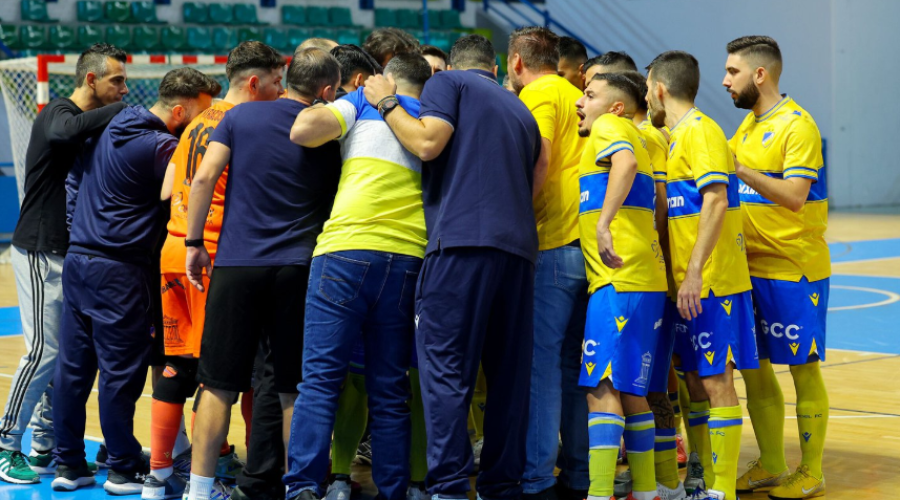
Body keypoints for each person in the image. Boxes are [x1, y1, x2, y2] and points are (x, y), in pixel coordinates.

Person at [363, 34, 541, 500]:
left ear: (454, 66)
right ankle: (502, 486)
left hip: (461, 244)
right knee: (507, 378)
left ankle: (447, 488)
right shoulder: (521, 110)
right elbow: (536, 180)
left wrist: (385, 102)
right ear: (498, 65)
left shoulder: (448, 85)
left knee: (444, 370)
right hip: (519, 252)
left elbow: (426, 142)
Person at [183, 47, 342, 500]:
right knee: (293, 387)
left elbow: (203, 178)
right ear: (327, 91)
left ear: (287, 76)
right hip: (298, 268)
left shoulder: (239, 118)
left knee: (216, 384)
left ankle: (198, 490)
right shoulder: (330, 131)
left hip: (236, 266)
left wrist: (194, 243)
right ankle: (302, 489)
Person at [53, 68, 220, 495]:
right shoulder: (163, 146)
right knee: (120, 373)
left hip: (79, 259)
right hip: (119, 271)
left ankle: (69, 464)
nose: (205, 126)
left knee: (73, 369)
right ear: (180, 111)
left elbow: (73, 184)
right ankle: (122, 467)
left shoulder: (109, 126)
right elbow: (179, 192)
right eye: (201, 115)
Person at [284, 51, 433, 500]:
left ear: (383, 79)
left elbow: (302, 131)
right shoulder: (436, 118)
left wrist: (351, 98)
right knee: (390, 387)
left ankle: (305, 488)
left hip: (345, 252)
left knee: (321, 379)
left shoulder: (361, 102)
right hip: (408, 257)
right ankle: (393, 490)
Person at [143, 40, 286, 500]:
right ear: (252, 82)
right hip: (209, 253)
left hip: (172, 246)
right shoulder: (240, 123)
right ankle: (222, 473)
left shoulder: (195, 123)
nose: (281, 89)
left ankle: (159, 473)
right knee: (226, 374)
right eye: (276, 81)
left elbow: (169, 188)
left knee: (174, 368)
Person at [0, 43, 128, 485]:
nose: (124, 91)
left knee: (65, 357)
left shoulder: (86, 126)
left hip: (68, 254)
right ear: (90, 80)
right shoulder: (57, 111)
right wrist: (119, 113)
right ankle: (3, 444)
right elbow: (61, 132)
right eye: (117, 81)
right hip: (38, 248)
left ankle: (43, 445)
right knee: (42, 351)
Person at [646, 50, 758, 500]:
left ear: (658, 88)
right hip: (688, 287)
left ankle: (723, 490)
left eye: (647, 87)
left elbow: (715, 201)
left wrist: (692, 274)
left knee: (716, 381)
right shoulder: (675, 140)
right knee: (694, 381)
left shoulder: (702, 131)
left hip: (712, 283)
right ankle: (707, 480)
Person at [723, 36, 829, 500]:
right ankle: (770, 462)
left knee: (802, 369)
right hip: (749, 270)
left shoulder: (797, 125)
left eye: (732, 72)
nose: (725, 81)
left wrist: (740, 170)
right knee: (756, 371)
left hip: (793, 269)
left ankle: (812, 470)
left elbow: (794, 196)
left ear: (759, 75)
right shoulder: (745, 127)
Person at [574, 72, 667, 500]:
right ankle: (646, 491)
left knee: (603, 387)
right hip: (646, 279)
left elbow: (624, 164)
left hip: (618, 279)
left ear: (614, 107)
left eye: (589, 96)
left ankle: (598, 493)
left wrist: (605, 223)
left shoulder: (612, 127)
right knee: (633, 390)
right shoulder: (643, 136)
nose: (580, 102)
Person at [506, 26, 589, 500]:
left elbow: (539, 158)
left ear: (517, 62)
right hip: (587, 248)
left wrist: (516, 216)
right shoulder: (576, 93)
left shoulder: (538, 94)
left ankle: (537, 479)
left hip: (552, 242)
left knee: (540, 369)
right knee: (575, 368)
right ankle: (579, 475)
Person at [615, 70, 690, 500]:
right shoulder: (640, 135)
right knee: (648, 384)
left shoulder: (648, 138)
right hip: (649, 276)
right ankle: (660, 479)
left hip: (653, 279)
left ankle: (666, 480)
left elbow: (660, 207)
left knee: (655, 385)